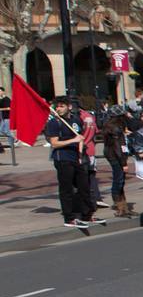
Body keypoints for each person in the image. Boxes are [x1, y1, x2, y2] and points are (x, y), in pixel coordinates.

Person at [43, 97, 97, 229]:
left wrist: (80, 154)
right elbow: (54, 143)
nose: (59, 109)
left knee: (84, 187)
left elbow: (80, 139)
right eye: (57, 106)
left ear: (69, 107)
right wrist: (73, 141)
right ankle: (69, 217)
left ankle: (87, 214)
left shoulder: (76, 120)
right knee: (66, 189)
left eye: (62, 106)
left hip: (76, 158)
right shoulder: (55, 123)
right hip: (63, 158)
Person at [101, 114, 134, 218]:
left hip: (112, 156)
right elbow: (118, 148)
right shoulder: (116, 130)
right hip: (116, 158)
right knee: (119, 181)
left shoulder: (111, 127)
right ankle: (120, 207)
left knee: (120, 180)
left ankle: (124, 207)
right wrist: (123, 163)